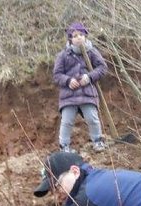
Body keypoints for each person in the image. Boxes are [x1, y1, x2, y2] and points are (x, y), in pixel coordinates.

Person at [53, 22, 108, 153]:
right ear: (70, 39)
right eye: (75, 35)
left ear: (86, 36)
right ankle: (64, 146)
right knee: (66, 121)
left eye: (81, 35)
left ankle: (98, 141)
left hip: (87, 93)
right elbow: (56, 75)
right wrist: (68, 80)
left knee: (92, 118)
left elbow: (102, 68)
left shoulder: (92, 52)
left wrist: (89, 77)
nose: (78, 37)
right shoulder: (63, 55)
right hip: (69, 96)